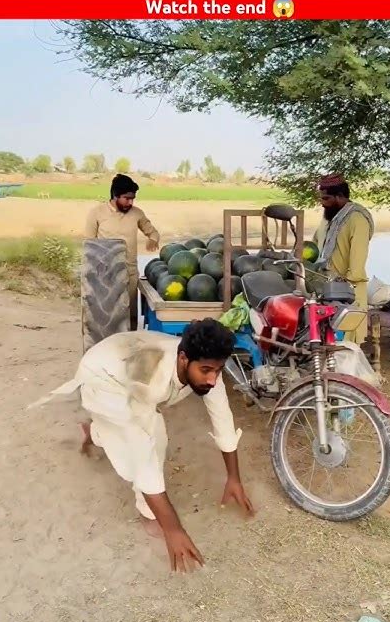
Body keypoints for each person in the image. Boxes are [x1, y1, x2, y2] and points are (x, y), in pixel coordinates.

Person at [30, 319, 254, 572]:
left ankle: (95, 431)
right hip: (103, 377)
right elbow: (144, 454)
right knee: (152, 439)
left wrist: (234, 478)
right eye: (206, 371)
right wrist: (174, 530)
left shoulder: (206, 366)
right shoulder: (151, 377)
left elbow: (222, 416)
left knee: (131, 433)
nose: (213, 379)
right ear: (183, 359)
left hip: (122, 361)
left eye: (218, 370)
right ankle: (147, 513)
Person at [84, 174, 159, 330]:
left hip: (129, 273)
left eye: (133, 199)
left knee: (129, 314)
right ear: (115, 195)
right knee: (107, 316)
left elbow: (153, 232)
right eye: (126, 198)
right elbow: (89, 245)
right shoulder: (97, 213)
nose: (130, 202)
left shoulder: (137, 213)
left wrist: (153, 239)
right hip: (105, 274)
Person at [314, 174, 374, 344]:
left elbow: (357, 261)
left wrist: (344, 287)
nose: (322, 202)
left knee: (346, 346)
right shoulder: (327, 219)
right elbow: (314, 247)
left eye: (326, 198)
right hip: (325, 288)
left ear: (340, 196)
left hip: (347, 291)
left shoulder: (358, 219)